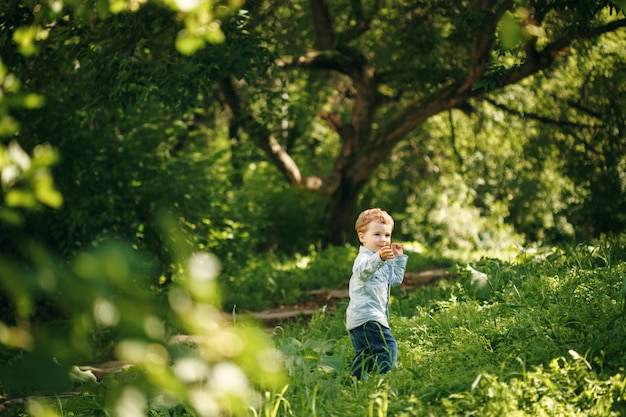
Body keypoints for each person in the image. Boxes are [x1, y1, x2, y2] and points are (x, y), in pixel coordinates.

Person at [346, 208, 408, 380]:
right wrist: (379, 258)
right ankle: (387, 380)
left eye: (387, 235)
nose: (383, 240)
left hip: (364, 318)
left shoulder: (382, 258)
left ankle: (355, 382)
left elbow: (394, 280)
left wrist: (398, 258)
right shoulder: (364, 259)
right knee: (387, 346)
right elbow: (362, 271)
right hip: (368, 316)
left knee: (365, 355)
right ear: (362, 237)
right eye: (377, 234)